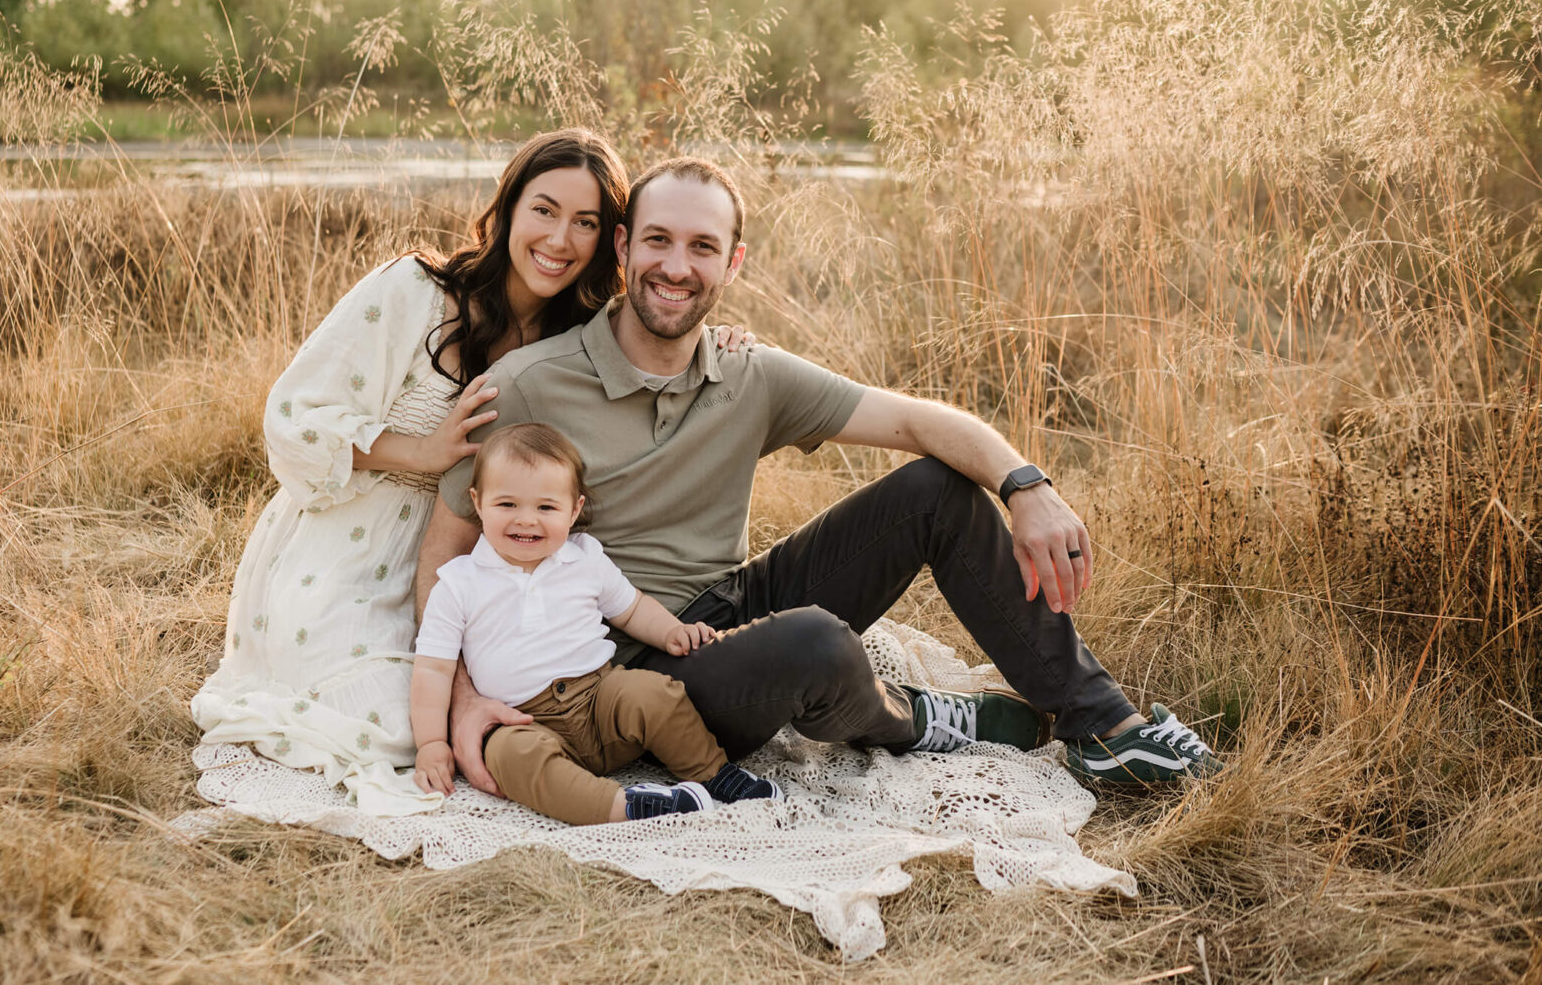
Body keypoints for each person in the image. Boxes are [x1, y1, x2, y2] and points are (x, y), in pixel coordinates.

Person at [417, 156, 1224, 795]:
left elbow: (915, 421)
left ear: (732, 262)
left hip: (731, 604)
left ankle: (1106, 727)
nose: (676, 265)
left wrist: (1027, 485)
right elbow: (447, 544)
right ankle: (907, 719)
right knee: (814, 643)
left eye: (703, 247)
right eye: (657, 239)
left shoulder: (749, 373)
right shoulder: (531, 381)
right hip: (629, 670)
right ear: (624, 247)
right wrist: (461, 702)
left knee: (937, 488)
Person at [189, 129, 631, 813]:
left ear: (606, 241)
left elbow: (666, 348)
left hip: (462, 568)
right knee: (391, 727)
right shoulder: (415, 290)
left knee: (515, 702)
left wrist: (729, 340)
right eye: (544, 209)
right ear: (509, 207)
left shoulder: (578, 340)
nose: (560, 238)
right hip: (344, 550)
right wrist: (418, 451)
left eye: (586, 222)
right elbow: (291, 413)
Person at [411, 423, 785, 824]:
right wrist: (431, 742)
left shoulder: (584, 559)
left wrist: (671, 630)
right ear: (478, 502)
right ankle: (624, 806)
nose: (526, 521)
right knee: (508, 756)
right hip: (522, 719)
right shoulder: (458, 582)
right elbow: (433, 669)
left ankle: (713, 773)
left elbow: (632, 608)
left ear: (573, 510)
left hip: (599, 699)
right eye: (507, 505)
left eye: (546, 507)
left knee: (654, 693)